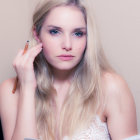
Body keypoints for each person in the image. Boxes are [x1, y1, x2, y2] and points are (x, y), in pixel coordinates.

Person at [0, 0, 138, 140]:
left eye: (78, 33)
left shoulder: (112, 87)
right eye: (55, 32)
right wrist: (27, 88)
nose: (67, 44)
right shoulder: (10, 90)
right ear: (37, 34)